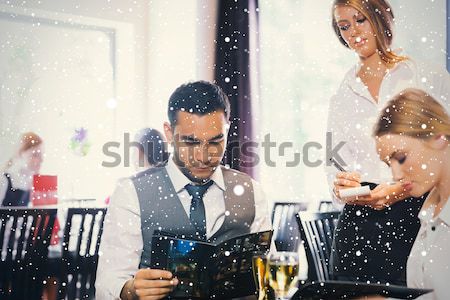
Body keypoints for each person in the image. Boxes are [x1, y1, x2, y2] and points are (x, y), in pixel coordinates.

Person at [96, 81, 271, 300]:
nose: (203, 156)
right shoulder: (130, 192)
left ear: (227, 129)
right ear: (169, 133)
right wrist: (130, 290)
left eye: (216, 141)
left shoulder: (251, 191)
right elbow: (107, 284)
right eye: (190, 142)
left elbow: (265, 277)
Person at [326, 0, 450, 284]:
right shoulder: (342, 95)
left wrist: (399, 189)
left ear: (380, 18)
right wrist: (341, 183)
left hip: (414, 211)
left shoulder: (427, 77)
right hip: (359, 218)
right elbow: (333, 162)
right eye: (344, 26)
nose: (353, 32)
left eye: (361, 20)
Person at [371, 89, 450, 299]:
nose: (396, 175)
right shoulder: (430, 210)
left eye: (401, 158)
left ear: (439, 137)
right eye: (389, 164)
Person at [0, 132, 43, 207]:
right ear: (21, 154)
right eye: (35, 155)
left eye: (42, 155)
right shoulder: (4, 180)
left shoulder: (30, 182)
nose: (41, 160)